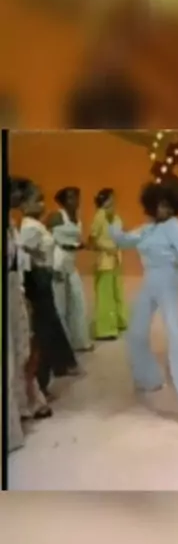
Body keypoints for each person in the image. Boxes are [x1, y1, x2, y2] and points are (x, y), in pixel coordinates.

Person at [108, 182, 178, 422]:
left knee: (175, 335)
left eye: (169, 206)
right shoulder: (147, 228)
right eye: (161, 205)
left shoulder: (174, 226)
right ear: (151, 205)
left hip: (168, 280)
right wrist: (112, 221)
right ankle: (149, 378)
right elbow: (124, 240)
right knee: (135, 332)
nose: (165, 210)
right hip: (149, 279)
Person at [17, 182, 81, 397]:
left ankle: (57, 368)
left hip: (43, 277)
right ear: (24, 205)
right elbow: (23, 255)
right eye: (37, 200)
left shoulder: (36, 225)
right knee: (44, 330)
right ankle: (41, 382)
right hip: (37, 280)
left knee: (50, 325)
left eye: (43, 199)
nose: (42, 204)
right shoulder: (29, 228)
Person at [8, 178, 52, 452]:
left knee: (22, 352)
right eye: (17, 192)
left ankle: (25, 405)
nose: (20, 198)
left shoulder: (12, 224)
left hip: (16, 291)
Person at [46, 187, 93, 352]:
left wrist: (84, 245)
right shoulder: (57, 216)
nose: (76, 201)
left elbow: (75, 242)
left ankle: (80, 341)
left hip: (71, 263)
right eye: (71, 198)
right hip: (58, 261)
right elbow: (48, 239)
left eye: (77, 197)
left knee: (78, 301)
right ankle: (62, 345)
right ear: (63, 201)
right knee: (60, 304)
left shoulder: (77, 218)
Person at [88, 188, 128, 340]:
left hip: (116, 259)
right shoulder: (100, 216)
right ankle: (105, 329)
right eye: (111, 198)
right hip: (104, 260)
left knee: (117, 292)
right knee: (105, 295)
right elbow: (92, 240)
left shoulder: (116, 217)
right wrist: (107, 248)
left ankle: (118, 321)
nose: (114, 200)